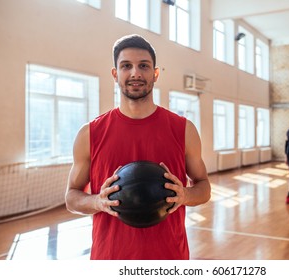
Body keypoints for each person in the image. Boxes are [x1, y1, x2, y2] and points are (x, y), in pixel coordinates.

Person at [65, 34, 211, 260]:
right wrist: (98, 201)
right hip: (109, 257)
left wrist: (185, 195)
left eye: (143, 65)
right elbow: (72, 197)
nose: (135, 73)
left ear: (155, 73)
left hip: (170, 256)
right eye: (126, 66)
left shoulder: (183, 129)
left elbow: (204, 188)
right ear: (115, 74)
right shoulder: (90, 133)